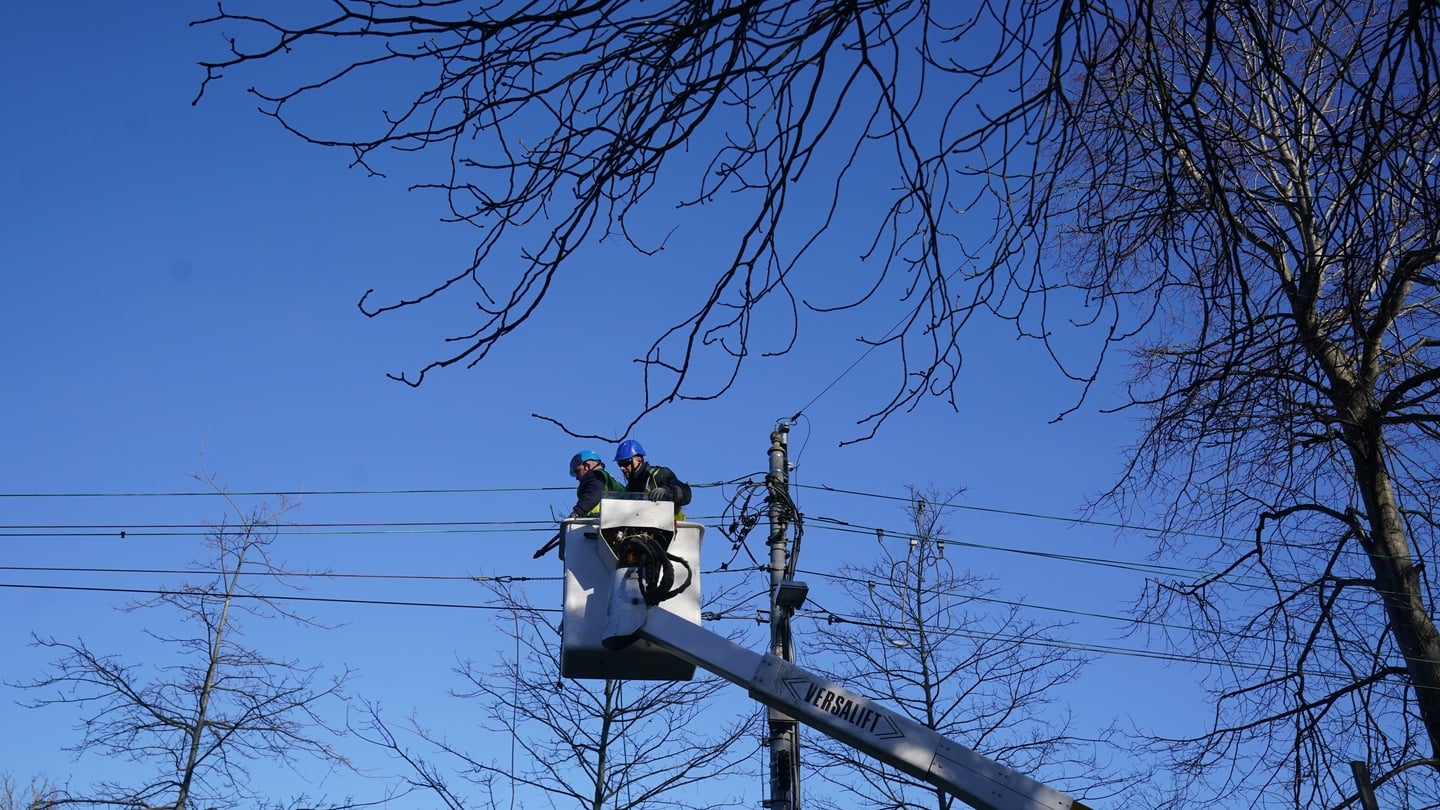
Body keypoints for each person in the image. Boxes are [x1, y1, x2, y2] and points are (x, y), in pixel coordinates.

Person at [534, 449, 625, 558]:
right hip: (615, 523)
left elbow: (593, 495)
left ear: (587, 466)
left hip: (606, 523)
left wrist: (577, 512)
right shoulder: (607, 478)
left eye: (578, 471)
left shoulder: (595, 476)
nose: (577, 477)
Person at [613, 439, 692, 520]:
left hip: (672, 528)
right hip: (645, 529)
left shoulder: (660, 474)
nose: (622, 468)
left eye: (625, 463)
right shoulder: (631, 488)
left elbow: (687, 494)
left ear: (639, 460)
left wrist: (667, 491)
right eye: (619, 464)